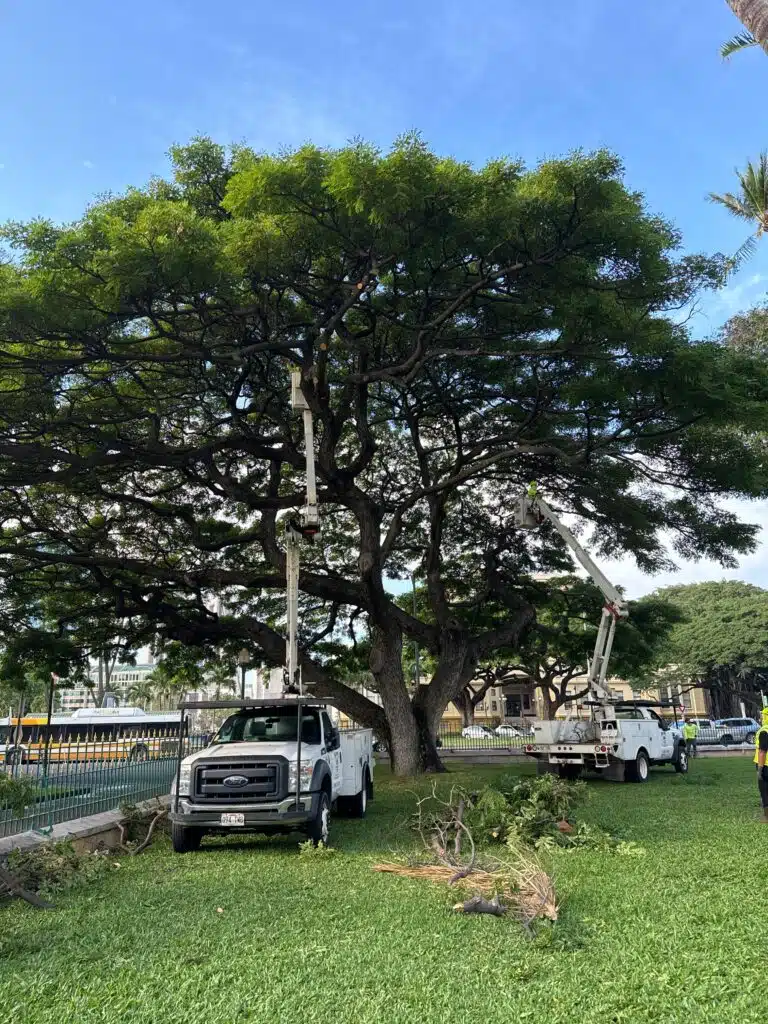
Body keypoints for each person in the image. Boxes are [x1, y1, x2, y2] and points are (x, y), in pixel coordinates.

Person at [754, 707, 768, 822]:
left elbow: (762, 752)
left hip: (766, 766)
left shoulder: (764, 731)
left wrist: (760, 769)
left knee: (764, 790)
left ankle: (767, 817)